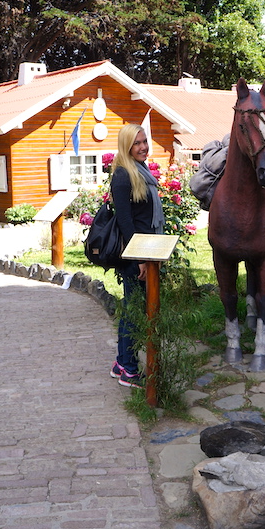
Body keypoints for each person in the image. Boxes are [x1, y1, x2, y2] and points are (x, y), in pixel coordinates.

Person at [109, 124, 164, 388]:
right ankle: (129, 371)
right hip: (136, 255)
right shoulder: (123, 175)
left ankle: (121, 362)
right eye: (137, 143)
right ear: (126, 146)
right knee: (134, 311)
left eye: (144, 141)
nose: (143, 147)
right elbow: (125, 221)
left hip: (146, 250)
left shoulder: (140, 170)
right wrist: (138, 259)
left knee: (133, 308)